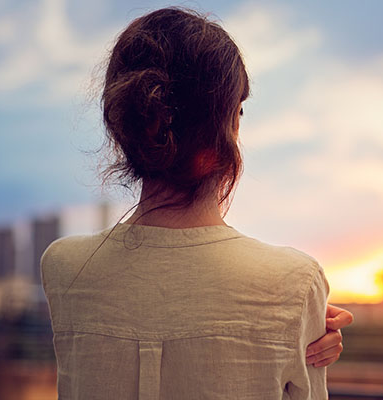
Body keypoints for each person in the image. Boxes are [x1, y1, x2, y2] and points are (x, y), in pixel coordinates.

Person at [40, 6, 353, 400]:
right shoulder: (296, 281)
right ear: (231, 124)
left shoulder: (64, 268)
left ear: (126, 127)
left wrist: (295, 317)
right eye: (238, 110)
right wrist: (295, 318)